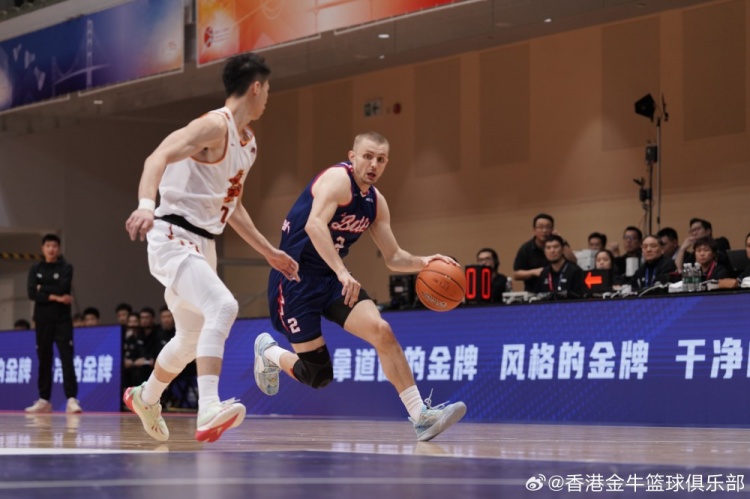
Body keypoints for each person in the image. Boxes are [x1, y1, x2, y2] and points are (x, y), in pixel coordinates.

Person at [123, 52, 299, 443]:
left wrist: (268, 251)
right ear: (256, 88)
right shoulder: (213, 126)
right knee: (223, 306)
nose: (268, 98)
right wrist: (146, 205)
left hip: (203, 243)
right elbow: (158, 156)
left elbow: (232, 206)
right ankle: (208, 409)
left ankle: (145, 397)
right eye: (268, 90)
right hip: (172, 234)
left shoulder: (248, 144)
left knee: (190, 338)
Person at [254, 131, 466, 442]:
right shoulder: (337, 180)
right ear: (352, 156)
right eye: (367, 156)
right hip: (295, 279)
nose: (373, 164)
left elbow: (394, 257)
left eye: (381, 159)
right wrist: (342, 271)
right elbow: (314, 225)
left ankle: (420, 415)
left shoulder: (375, 203)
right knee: (318, 375)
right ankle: (269, 352)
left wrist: (425, 261)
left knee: (382, 331)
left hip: (331, 280)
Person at [25, 234, 82, 414]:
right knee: (44, 359)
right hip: (42, 320)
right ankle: (44, 399)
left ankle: (71, 399)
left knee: (66, 358)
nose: (51, 249)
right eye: (48, 246)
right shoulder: (35, 268)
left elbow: (62, 287)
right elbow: (32, 293)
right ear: (43, 248)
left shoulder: (66, 267)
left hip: (62, 320)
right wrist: (56, 297)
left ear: (58, 248)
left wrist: (43, 288)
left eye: (54, 246)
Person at [513, 213, 577, 292]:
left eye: (548, 227)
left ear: (552, 229)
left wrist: (561, 239)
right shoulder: (526, 248)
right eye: (540, 227)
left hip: (559, 290)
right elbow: (516, 274)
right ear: (534, 230)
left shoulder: (559, 244)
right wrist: (534, 272)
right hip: (533, 292)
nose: (544, 230)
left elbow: (573, 261)